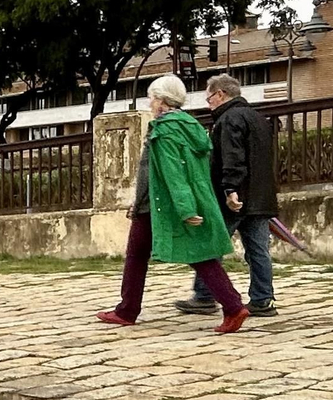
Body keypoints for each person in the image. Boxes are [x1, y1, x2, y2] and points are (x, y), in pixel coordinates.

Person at [99, 74, 249, 334]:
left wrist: (185, 209)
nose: (150, 103)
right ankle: (127, 310)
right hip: (162, 202)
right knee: (145, 255)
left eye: (152, 98)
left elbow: (172, 172)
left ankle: (233, 307)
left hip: (163, 205)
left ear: (161, 100)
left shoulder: (166, 130)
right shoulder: (189, 125)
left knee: (192, 255)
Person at [176, 74, 278, 317]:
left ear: (220, 94)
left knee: (211, 245)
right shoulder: (258, 118)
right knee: (258, 251)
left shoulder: (228, 119)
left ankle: (204, 296)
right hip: (260, 197)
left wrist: (229, 189)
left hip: (235, 197)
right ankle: (263, 299)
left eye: (209, 98)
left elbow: (233, 157)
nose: (208, 103)